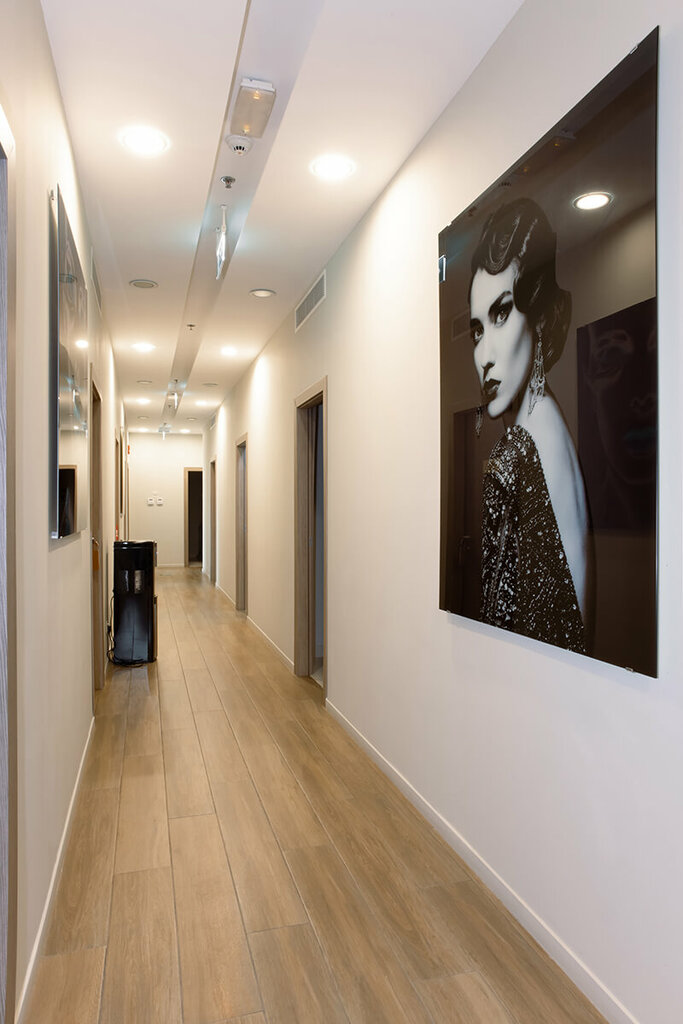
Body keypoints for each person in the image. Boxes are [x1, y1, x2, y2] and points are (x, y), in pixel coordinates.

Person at [468, 197, 589, 653]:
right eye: (477, 330)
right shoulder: (551, 428)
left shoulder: (518, 451)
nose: (484, 356)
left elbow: (500, 615)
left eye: (501, 314)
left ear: (536, 314)